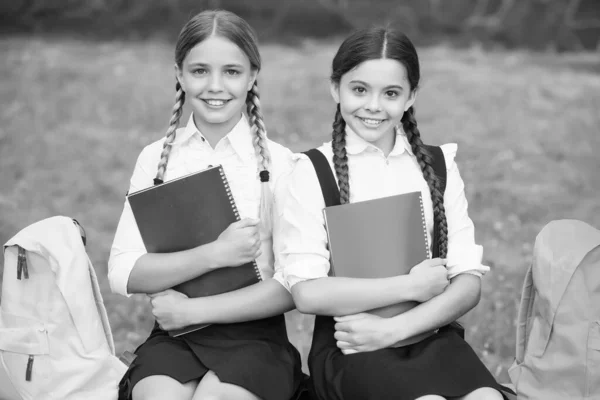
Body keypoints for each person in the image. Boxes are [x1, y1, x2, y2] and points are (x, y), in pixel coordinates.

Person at [278, 26, 507, 400]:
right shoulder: (313, 171)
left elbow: (468, 282)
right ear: (335, 88)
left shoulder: (438, 164)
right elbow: (306, 293)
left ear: (411, 96)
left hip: (429, 335)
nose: (373, 106)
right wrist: (409, 288)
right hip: (353, 345)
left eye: (391, 93)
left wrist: (397, 329)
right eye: (359, 89)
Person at [108, 10, 304, 400]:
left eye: (231, 71)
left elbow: (294, 285)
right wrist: (216, 254)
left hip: (254, 335)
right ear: (180, 74)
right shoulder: (157, 158)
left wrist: (195, 311)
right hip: (176, 335)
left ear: (252, 76)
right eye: (200, 71)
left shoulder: (283, 165)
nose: (215, 86)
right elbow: (124, 272)